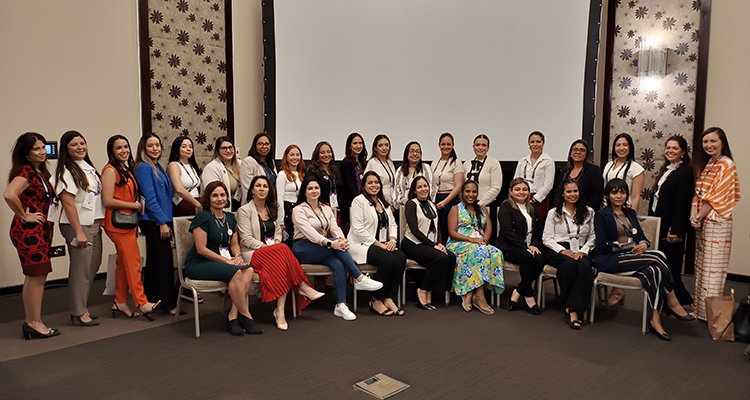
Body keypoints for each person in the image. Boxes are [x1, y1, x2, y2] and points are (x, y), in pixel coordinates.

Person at [595, 179, 694, 341]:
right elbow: (601, 245)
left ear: (627, 194)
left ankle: (655, 319)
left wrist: (643, 244)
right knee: (659, 256)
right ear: (608, 195)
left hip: (633, 258)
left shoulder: (630, 213)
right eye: (614, 192)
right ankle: (673, 301)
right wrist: (623, 246)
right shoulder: (601, 215)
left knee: (654, 270)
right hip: (611, 260)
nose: (619, 196)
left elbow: (641, 237)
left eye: (622, 192)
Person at [238, 176, 324, 330]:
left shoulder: (272, 207)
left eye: (265, 186)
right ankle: (302, 285)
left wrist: (276, 243)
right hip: (253, 253)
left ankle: (280, 311)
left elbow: (278, 232)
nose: (262, 189)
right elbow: (245, 239)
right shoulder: (244, 211)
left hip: (273, 253)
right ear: (252, 190)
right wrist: (267, 247)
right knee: (284, 249)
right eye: (258, 186)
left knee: (282, 258)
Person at [291, 177, 383, 321]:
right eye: (310, 188)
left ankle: (340, 305)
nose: (314, 191)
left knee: (338, 263)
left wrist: (342, 240)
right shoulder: (298, 210)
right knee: (335, 247)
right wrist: (331, 243)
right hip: (303, 248)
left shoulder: (326, 208)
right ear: (304, 192)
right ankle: (359, 277)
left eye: (316, 188)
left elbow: (335, 228)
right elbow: (311, 234)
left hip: (323, 247)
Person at [185, 181, 263, 335]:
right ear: (208, 198)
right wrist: (227, 261)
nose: (219, 198)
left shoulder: (230, 218)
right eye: (215, 195)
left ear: (227, 198)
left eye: (222, 195)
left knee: (248, 270)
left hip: (223, 262)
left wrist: (238, 257)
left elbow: (234, 245)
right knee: (235, 272)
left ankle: (233, 316)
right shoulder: (203, 217)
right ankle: (246, 316)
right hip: (200, 263)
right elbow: (201, 249)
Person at [4, 132, 60, 339]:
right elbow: (9, 194)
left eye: (43, 147)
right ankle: (34, 322)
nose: (42, 152)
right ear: (26, 153)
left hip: (40, 230)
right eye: (36, 148)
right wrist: (24, 215)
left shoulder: (40, 173)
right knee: (37, 276)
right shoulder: (26, 172)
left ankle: (32, 320)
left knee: (36, 275)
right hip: (29, 231)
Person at [101, 135, 160, 320]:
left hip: (127, 223)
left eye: (126, 146)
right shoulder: (110, 170)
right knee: (133, 263)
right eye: (119, 148)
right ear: (112, 151)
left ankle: (119, 301)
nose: (124, 151)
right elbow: (107, 200)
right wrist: (134, 205)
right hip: (117, 224)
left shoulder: (125, 169)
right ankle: (142, 302)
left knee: (122, 263)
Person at [52, 131, 103, 327]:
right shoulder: (66, 171)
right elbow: (69, 204)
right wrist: (79, 231)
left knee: (92, 265)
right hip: (77, 225)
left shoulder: (88, 167)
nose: (80, 147)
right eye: (74, 145)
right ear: (66, 148)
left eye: (82, 143)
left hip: (94, 223)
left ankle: (81, 306)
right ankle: (78, 312)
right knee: (80, 269)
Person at [691, 127, 741, 321]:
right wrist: (693, 217)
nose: (709, 145)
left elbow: (715, 198)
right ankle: (699, 310)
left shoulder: (726, 164)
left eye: (713, 141)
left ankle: (711, 315)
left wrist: (699, 216)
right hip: (702, 221)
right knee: (701, 267)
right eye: (705, 142)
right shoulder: (709, 163)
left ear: (722, 142)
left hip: (717, 223)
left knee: (713, 270)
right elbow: (698, 196)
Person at [348, 171, 407, 316]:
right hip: (361, 245)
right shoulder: (359, 201)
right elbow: (358, 229)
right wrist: (379, 244)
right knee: (388, 259)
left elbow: (392, 224)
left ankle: (389, 297)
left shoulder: (382, 202)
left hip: (383, 244)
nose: (374, 185)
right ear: (364, 185)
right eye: (370, 182)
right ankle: (375, 299)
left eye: (376, 182)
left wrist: (392, 240)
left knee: (400, 257)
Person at [542, 178, 595, 329]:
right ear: (563, 194)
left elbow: (593, 236)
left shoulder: (589, 212)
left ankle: (570, 306)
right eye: (569, 191)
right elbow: (547, 238)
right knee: (569, 264)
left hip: (581, 247)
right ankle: (573, 310)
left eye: (575, 191)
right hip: (557, 248)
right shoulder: (554, 213)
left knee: (585, 266)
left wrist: (583, 251)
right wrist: (563, 250)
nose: (573, 194)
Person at [134, 133, 178, 315]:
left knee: (154, 261)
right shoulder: (144, 168)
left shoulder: (157, 166)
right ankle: (169, 304)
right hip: (153, 221)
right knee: (164, 261)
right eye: (151, 145)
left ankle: (153, 298)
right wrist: (161, 222)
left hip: (163, 218)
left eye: (158, 145)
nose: (155, 149)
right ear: (143, 148)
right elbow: (150, 198)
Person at [648, 136, 694, 306]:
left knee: (671, 267)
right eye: (668, 148)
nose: (670, 151)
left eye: (675, 148)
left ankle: (678, 302)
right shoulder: (667, 169)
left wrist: (676, 230)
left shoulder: (684, 173)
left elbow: (682, 204)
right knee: (663, 266)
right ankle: (666, 303)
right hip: (661, 224)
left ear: (683, 152)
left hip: (671, 228)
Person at [446, 181, 504, 314]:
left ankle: (469, 292)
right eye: (467, 191)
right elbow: (452, 232)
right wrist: (471, 240)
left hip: (478, 243)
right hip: (458, 242)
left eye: (474, 192)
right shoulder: (456, 209)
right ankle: (480, 295)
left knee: (495, 253)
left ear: (477, 193)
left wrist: (484, 240)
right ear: (462, 193)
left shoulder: (482, 209)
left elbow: (489, 228)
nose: (471, 194)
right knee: (479, 251)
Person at [401, 176, 456, 310]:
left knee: (451, 257)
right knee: (439, 258)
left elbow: (437, 229)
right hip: (412, 244)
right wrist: (433, 245)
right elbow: (414, 230)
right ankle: (422, 289)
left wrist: (440, 243)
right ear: (414, 190)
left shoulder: (432, 204)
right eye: (419, 187)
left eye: (425, 186)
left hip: (429, 244)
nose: (423, 189)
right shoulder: (411, 204)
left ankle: (432, 290)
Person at [496, 178, 545, 315]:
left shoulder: (532, 208)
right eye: (517, 189)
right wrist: (526, 247)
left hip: (529, 247)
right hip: (509, 247)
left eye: (525, 189)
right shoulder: (506, 206)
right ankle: (529, 295)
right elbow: (507, 232)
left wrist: (534, 244)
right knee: (528, 259)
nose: (521, 192)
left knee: (540, 260)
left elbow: (538, 230)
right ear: (510, 192)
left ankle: (519, 290)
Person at [463, 134, 502, 243]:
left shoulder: (494, 163)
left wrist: (480, 204)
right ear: (473, 147)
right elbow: (462, 185)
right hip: (468, 206)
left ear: (488, 147)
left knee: (487, 237)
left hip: (486, 205)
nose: (480, 147)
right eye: (477, 145)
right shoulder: (466, 164)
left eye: (484, 145)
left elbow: (496, 187)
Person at [431, 132, 465, 244]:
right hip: (436, 197)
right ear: (439, 145)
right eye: (443, 144)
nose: (446, 147)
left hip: (450, 199)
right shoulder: (434, 162)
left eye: (448, 144)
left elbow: (459, 186)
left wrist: (445, 201)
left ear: (453, 145)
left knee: (447, 229)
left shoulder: (456, 162)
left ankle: (450, 252)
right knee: (436, 228)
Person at [514, 131, 555, 221]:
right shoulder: (522, 161)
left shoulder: (548, 161)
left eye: (538, 142)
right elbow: (516, 180)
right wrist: (520, 196)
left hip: (539, 200)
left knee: (538, 226)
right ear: (528, 144)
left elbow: (549, 184)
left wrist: (534, 199)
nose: (535, 144)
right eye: (532, 142)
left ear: (543, 143)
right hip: (521, 197)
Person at [603, 133, 645, 211]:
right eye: (618, 145)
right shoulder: (608, 165)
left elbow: (635, 197)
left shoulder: (636, 169)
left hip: (625, 209)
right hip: (606, 208)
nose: (621, 148)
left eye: (625, 145)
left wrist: (632, 217)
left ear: (630, 147)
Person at [560, 139, 604, 212]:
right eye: (575, 149)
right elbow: (558, 193)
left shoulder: (594, 170)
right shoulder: (564, 171)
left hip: (585, 213)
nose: (578, 152)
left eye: (582, 150)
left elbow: (597, 197)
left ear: (587, 154)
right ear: (570, 153)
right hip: (564, 213)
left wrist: (583, 212)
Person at [202, 136, 242, 211]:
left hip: (240, 206)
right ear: (218, 150)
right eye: (224, 148)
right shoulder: (212, 167)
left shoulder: (241, 164)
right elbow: (212, 193)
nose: (228, 150)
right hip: (222, 208)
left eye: (230, 147)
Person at [277, 144, 305, 247]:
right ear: (286, 157)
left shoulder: (301, 174)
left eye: (297, 155)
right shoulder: (282, 174)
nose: (295, 158)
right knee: (288, 240)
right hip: (287, 209)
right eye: (292, 155)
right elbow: (279, 197)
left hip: (299, 209)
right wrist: (281, 220)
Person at [339, 132, 368, 235]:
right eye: (355, 143)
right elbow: (350, 187)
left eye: (360, 143)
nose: (358, 146)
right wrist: (359, 203)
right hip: (351, 204)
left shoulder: (363, 163)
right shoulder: (346, 163)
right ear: (349, 146)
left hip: (364, 203)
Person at [167, 136, 201, 217]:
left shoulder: (192, 166)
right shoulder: (174, 165)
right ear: (177, 149)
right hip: (183, 204)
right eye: (184, 147)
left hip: (196, 203)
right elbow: (179, 189)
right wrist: (197, 204)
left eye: (190, 147)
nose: (188, 149)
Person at [306, 141, 343, 212]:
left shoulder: (336, 170)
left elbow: (342, 189)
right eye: (322, 152)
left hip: (336, 209)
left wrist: (338, 204)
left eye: (329, 152)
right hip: (319, 209)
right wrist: (325, 206)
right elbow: (311, 191)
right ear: (317, 155)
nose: (326, 155)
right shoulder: (312, 171)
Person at [394, 141, 436, 206]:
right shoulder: (400, 170)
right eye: (412, 151)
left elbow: (432, 188)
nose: (415, 154)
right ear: (406, 153)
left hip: (423, 206)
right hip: (404, 207)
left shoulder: (427, 168)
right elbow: (396, 189)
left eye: (417, 151)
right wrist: (404, 201)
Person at [240, 132, 276, 205]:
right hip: (254, 205)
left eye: (267, 144)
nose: (264, 147)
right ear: (255, 145)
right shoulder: (248, 162)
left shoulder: (271, 162)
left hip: (269, 204)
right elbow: (248, 189)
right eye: (260, 144)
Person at [365, 134, 397, 208]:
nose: (384, 148)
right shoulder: (372, 162)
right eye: (380, 145)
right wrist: (385, 202)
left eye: (386, 145)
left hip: (392, 200)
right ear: (375, 148)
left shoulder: (390, 163)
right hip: (380, 200)